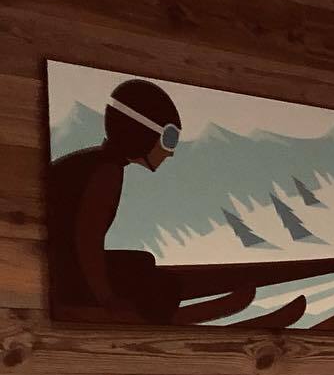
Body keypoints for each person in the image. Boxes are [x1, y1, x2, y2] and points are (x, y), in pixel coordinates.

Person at [47, 79, 255, 324]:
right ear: (142, 133)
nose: (170, 151)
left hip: (58, 264)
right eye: (168, 138)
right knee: (162, 284)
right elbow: (87, 241)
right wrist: (107, 300)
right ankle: (140, 317)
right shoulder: (106, 172)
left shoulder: (96, 162)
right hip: (61, 273)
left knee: (142, 262)